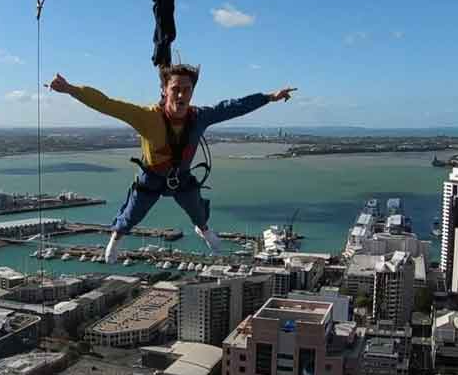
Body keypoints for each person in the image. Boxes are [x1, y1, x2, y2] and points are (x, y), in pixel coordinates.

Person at [50, 66, 295, 261]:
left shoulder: (199, 117)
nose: (181, 95)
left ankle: (203, 229)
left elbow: (234, 107)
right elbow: (106, 104)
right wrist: (71, 89)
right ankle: (116, 237)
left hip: (181, 176)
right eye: (175, 89)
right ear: (164, 90)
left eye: (186, 89)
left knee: (196, 209)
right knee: (132, 214)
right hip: (152, 177)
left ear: (192, 92)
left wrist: (269, 97)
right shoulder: (146, 117)